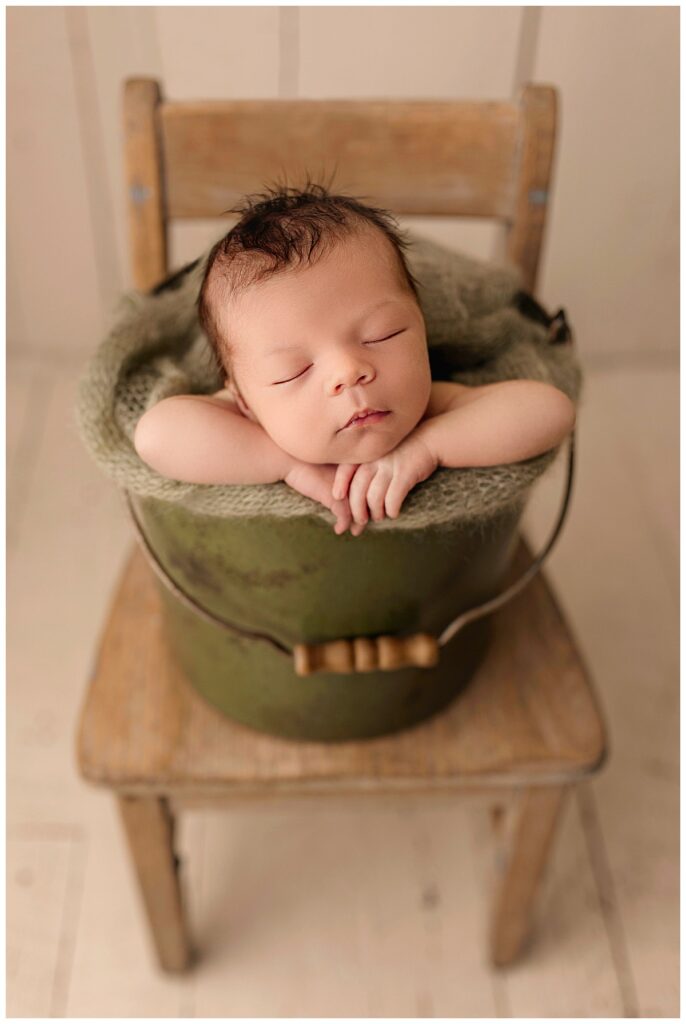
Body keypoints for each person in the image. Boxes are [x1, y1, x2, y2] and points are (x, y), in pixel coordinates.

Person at [134, 182, 575, 536]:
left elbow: (550, 410)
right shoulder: (249, 420)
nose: (349, 371)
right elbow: (156, 436)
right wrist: (286, 463)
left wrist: (429, 446)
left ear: (422, 329)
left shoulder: (434, 408)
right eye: (295, 371)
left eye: (382, 334)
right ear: (245, 399)